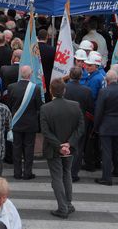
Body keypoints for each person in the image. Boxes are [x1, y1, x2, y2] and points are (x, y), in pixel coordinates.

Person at [40, 78, 82, 219]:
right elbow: (80, 128)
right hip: (69, 148)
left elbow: (45, 132)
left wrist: (59, 146)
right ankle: (68, 204)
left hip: (54, 149)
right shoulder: (75, 106)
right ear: (64, 90)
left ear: (51, 91)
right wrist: (69, 144)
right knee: (67, 174)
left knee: (57, 177)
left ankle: (63, 207)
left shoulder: (45, 108)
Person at [94, 70, 118, 186]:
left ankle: (106, 177)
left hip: (106, 125)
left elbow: (99, 111)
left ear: (107, 80)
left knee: (106, 152)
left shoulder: (104, 92)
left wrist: (96, 126)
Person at [6, 65, 41, 181]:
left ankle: (17, 173)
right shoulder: (35, 88)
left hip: (16, 122)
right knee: (29, 149)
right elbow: (38, 107)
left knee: (16, 148)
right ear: (30, 75)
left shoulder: (11, 87)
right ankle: (27, 172)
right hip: (30, 123)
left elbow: (9, 105)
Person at [64, 65, 93, 181]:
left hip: (65, 120)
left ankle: (65, 171)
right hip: (81, 121)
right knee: (78, 147)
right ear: (81, 76)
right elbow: (90, 107)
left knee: (65, 145)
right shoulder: (86, 90)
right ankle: (73, 173)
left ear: (70, 75)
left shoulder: (64, 88)